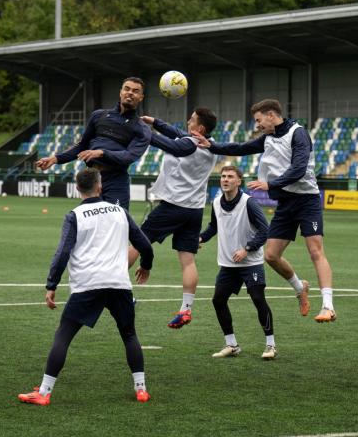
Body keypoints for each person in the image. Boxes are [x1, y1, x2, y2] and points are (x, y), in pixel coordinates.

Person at [18, 168, 154, 406]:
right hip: (118, 283)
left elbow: (62, 254)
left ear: (77, 187)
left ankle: (44, 392)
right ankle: (141, 389)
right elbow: (145, 244)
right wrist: (146, 265)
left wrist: (52, 284)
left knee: (64, 335)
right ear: (100, 186)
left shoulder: (75, 215)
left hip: (88, 284)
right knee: (129, 334)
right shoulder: (120, 211)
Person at [194, 99, 327, 321]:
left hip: (306, 199)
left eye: (258, 120)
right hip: (286, 201)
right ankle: (299, 287)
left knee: (315, 250)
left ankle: (327, 304)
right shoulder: (268, 138)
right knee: (271, 255)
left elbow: (299, 168)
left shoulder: (298, 133)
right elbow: (241, 148)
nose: (257, 125)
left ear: (271, 115)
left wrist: (271, 184)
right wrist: (212, 146)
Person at [128, 108, 218, 329]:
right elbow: (178, 133)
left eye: (192, 120)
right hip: (194, 210)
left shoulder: (188, 145)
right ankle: (186, 310)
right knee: (187, 260)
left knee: (137, 242)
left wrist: (141, 129)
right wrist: (156, 122)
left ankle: (119, 290)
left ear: (200, 128)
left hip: (173, 206)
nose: (188, 121)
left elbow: (171, 143)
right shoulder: (211, 143)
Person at [35, 77, 151, 210]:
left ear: (141, 97)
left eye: (135, 91)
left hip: (116, 181)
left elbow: (129, 156)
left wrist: (101, 153)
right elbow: (82, 146)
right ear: (120, 92)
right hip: (92, 178)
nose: (130, 93)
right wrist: (55, 159)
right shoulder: (98, 115)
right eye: (127, 89)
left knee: (118, 224)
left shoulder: (142, 128)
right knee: (90, 224)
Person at [199, 165, 276, 359]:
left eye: (230, 177)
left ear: (238, 181)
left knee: (258, 299)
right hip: (228, 263)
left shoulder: (248, 203)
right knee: (218, 300)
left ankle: (270, 345)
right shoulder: (216, 203)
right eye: (223, 176)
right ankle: (231, 344)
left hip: (250, 262)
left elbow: (265, 230)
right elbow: (213, 227)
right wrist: (200, 239)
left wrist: (247, 249)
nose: (225, 179)